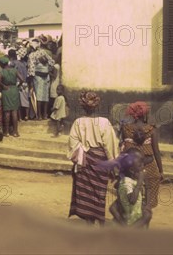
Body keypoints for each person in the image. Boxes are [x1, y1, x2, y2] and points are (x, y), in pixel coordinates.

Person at [68, 91, 119, 226]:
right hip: (101, 162)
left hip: (84, 162)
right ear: (97, 106)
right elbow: (110, 146)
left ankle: (89, 223)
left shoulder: (77, 122)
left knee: (86, 194)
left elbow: (73, 145)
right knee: (99, 193)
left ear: (83, 106)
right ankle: (100, 221)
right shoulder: (104, 122)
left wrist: (84, 150)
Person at [120, 101, 163, 212]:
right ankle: (148, 206)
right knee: (154, 180)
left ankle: (131, 204)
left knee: (129, 184)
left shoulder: (126, 129)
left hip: (131, 166)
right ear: (144, 114)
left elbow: (123, 147)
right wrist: (161, 170)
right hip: (148, 163)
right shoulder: (151, 130)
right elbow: (156, 151)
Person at [107, 148, 153, 228]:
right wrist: (139, 182)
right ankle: (128, 229)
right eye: (140, 165)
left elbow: (148, 187)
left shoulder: (142, 174)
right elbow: (132, 200)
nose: (143, 165)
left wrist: (148, 204)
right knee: (114, 208)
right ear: (131, 170)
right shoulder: (126, 181)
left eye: (143, 162)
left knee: (147, 213)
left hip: (136, 205)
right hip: (128, 204)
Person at [0, 56, 23, 137]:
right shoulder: (14, 70)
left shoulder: (2, 72)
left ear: (2, 64)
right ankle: (15, 131)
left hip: (6, 91)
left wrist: (3, 86)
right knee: (14, 111)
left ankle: (7, 132)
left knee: (7, 112)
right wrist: (18, 86)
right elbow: (22, 79)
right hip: (14, 90)